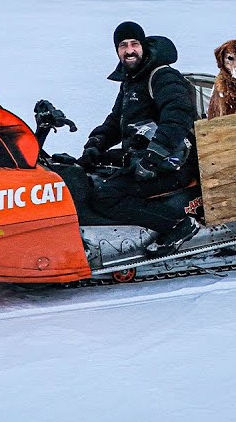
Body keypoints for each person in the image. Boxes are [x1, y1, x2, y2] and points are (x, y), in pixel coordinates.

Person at [77, 21, 201, 254]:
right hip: (143, 156)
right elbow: (116, 121)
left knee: (106, 195)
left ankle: (178, 225)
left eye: (134, 44)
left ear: (143, 46)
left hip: (173, 162)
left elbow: (178, 114)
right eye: (123, 45)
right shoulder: (131, 81)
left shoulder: (162, 76)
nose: (129, 50)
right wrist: (95, 145)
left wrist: (156, 154)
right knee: (88, 176)